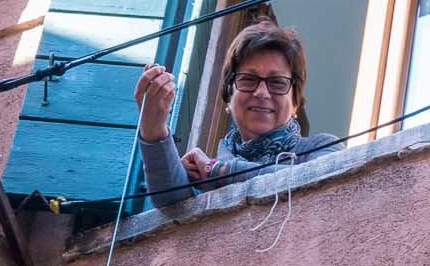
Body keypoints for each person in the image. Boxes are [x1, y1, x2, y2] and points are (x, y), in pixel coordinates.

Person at [133, 19, 342, 210]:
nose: (261, 93)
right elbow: (170, 201)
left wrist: (216, 172)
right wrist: (154, 128)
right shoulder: (203, 175)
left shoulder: (321, 148)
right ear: (228, 96)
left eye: (277, 82)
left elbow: (312, 183)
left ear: (295, 102)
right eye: (248, 79)